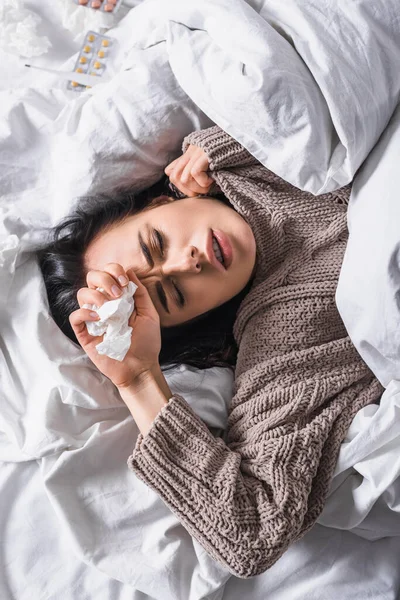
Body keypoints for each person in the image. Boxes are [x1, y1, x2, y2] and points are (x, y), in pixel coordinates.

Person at [39, 126, 382, 578]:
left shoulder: (243, 151)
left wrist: (233, 141)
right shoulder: (281, 344)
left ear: (162, 202)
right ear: (189, 324)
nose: (187, 263)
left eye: (156, 243)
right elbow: (253, 530)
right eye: (172, 296)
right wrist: (139, 379)